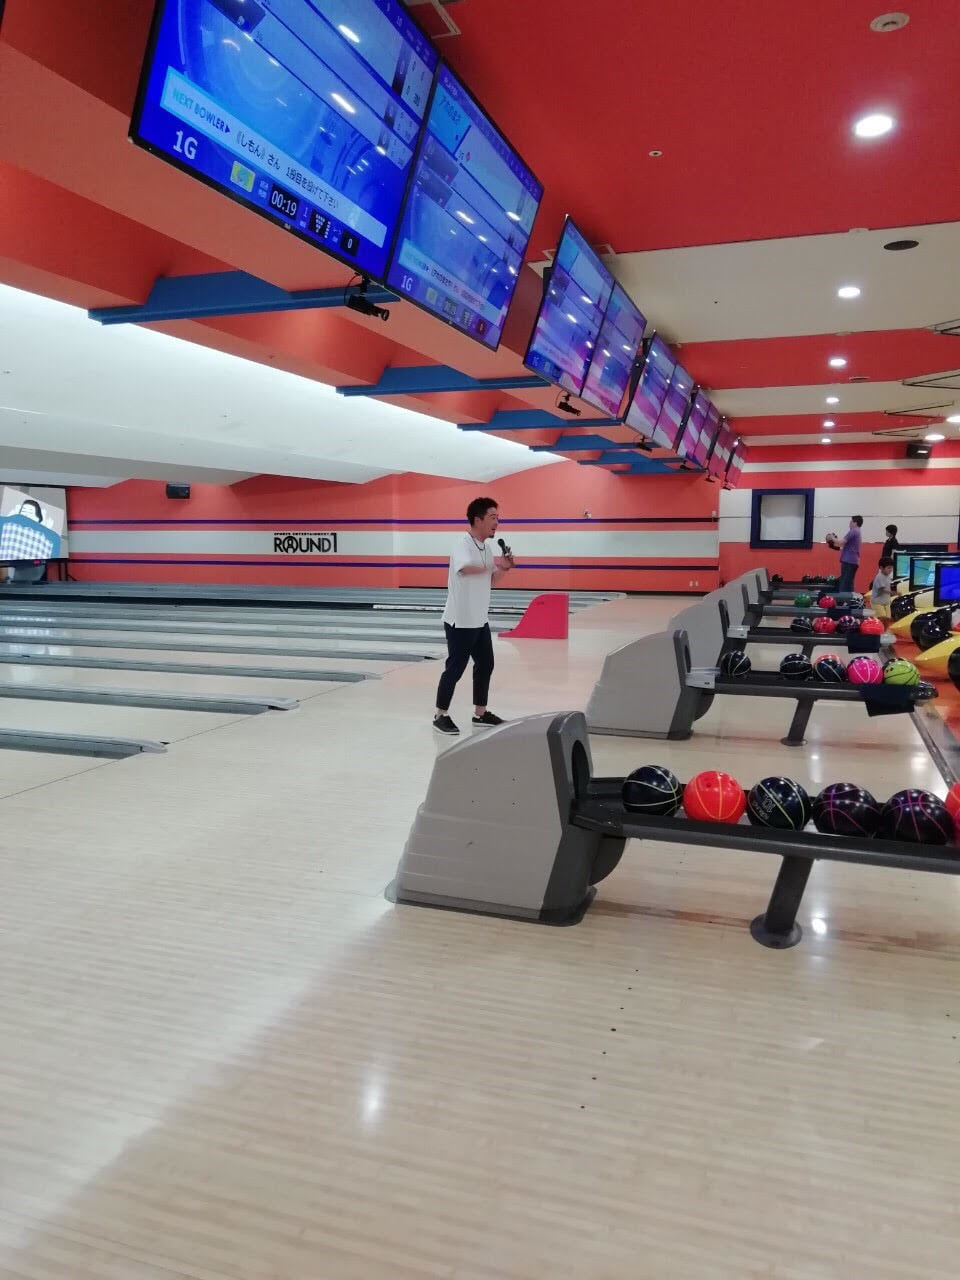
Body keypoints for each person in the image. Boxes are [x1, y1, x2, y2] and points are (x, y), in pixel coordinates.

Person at [433, 497, 515, 735]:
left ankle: (480, 713)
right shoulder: (462, 544)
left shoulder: (487, 548)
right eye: (493, 517)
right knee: (455, 668)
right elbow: (466, 568)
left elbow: (490, 580)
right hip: (460, 620)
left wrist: (503, 568)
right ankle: (440, 715)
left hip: (479, 619)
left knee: (486, 664)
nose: (497, 522)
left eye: (498, 518)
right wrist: (492, 566)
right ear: (478, 520)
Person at [826, 515, 863, 594]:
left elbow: (841, 542)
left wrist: (831, 537)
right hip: (852, 561)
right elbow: (843, 546)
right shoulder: (857, 532)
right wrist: (833, 543)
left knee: (845, 584)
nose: (849, 523)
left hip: (849, 561)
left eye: (851, 521)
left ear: (855, 523)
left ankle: (842, 600)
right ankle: (850, 599)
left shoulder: (854, 531)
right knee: (848, 583)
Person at [871, 557, 895, 621]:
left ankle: (884, 627)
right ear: (881, 568)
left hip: (886, 601)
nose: (891, 570)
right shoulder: (879, 577)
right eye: (889, 568)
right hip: (877, 602)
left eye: (892, 568)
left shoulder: (888, 575)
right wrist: (892, 592)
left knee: (888, 618)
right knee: (882, 618)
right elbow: (882, 589)